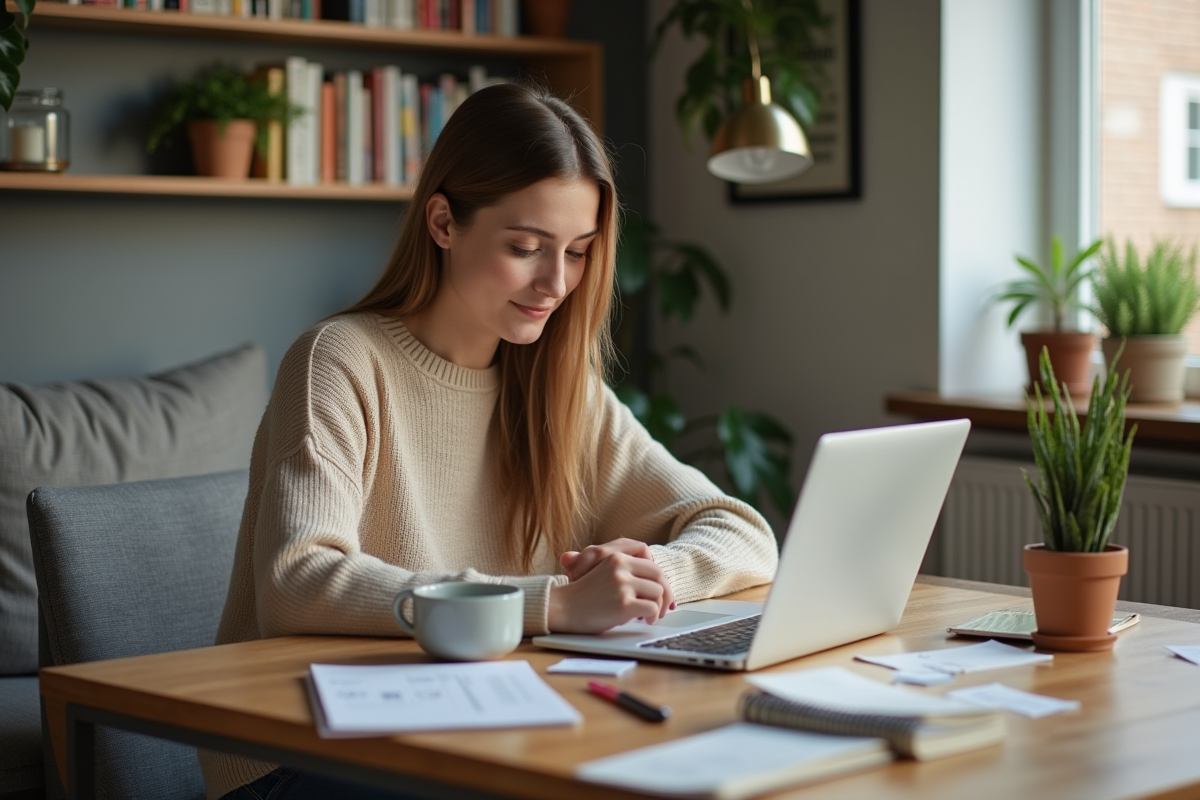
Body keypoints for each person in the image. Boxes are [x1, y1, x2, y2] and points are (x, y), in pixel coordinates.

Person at [203, 82, 779, 800]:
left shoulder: (558, 386)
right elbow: (297, 583)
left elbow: (742, 532)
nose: (555, 283)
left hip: (489, 730)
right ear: (443, 222)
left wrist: (648, 579)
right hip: (303, 753)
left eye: (576, 252)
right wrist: (553, 605)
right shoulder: (338, 361)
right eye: (526, 247)